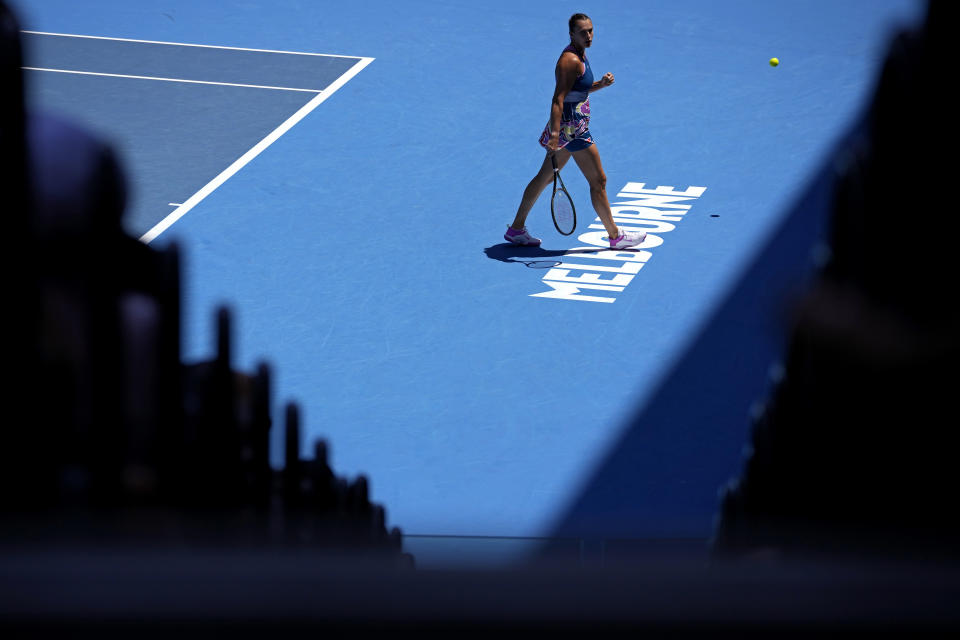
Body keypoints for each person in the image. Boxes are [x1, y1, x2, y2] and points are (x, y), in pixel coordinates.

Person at [505, 13, 646, 250]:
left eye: (591, 30)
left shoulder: (580, 53)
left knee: (545, 177)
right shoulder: (569, 61)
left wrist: (599, 85)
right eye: (583, 32)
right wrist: (554, 136)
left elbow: (577, 90)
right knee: (598, 180)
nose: (589, 35)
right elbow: (558, 99)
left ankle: (516, 229)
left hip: (570, 127)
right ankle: (615, 237)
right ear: (572, 34)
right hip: (572, 130)